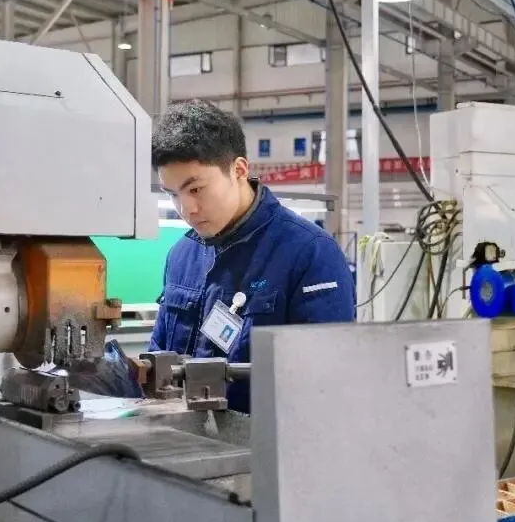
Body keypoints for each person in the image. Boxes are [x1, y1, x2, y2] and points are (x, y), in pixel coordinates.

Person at [91, 100, 353, 413]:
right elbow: (159, 362)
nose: (186, 209)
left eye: (195, 189)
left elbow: (325, 384)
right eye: (172, 194)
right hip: (184, 436)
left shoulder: (309, 253)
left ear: (239, 170)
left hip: (263, 439)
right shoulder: (181, 255)